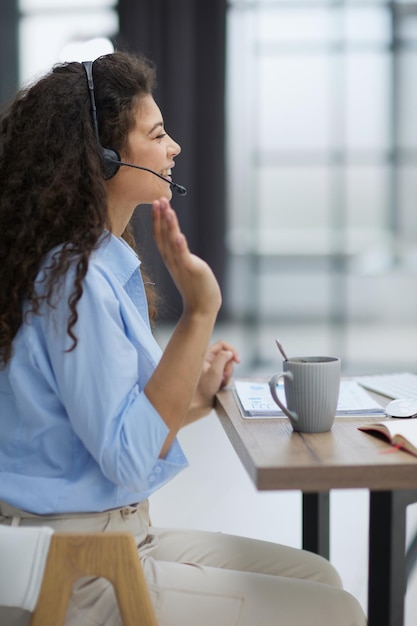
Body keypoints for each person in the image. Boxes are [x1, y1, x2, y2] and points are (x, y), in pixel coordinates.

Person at [0, 50, 366, 626]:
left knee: (319, 576)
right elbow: (127, 454)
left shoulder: (90, 264)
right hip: (76, 564)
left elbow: (115, 425)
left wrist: (194, 388)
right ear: (105, 157)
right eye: (158, 134)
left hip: (109, 532)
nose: (173, 149)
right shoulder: (78, 280)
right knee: (337, 610)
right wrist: (200, 313)